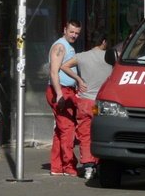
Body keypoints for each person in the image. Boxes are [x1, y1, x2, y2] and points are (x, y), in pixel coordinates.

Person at [61, 33, 113, 181]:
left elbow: (64, 66)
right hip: (103, 101)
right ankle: (102, 163)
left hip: (84, 101)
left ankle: (88, 166)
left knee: (85, 136)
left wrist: (78, 79)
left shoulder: (81, 56)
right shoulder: (111, 57)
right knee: (104, 134)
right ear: (104, 41)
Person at [47, 20, 86, 177]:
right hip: (61, 91)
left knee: (61, 129)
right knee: (68, 129)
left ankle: (57, 166)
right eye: (71, 32)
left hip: (66, 90)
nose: (74, 35)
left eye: (77, 33)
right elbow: (53, 72)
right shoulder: (60, 46)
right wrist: (59, 94)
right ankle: (69, 166)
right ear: (65, 30)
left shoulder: (67, 46)